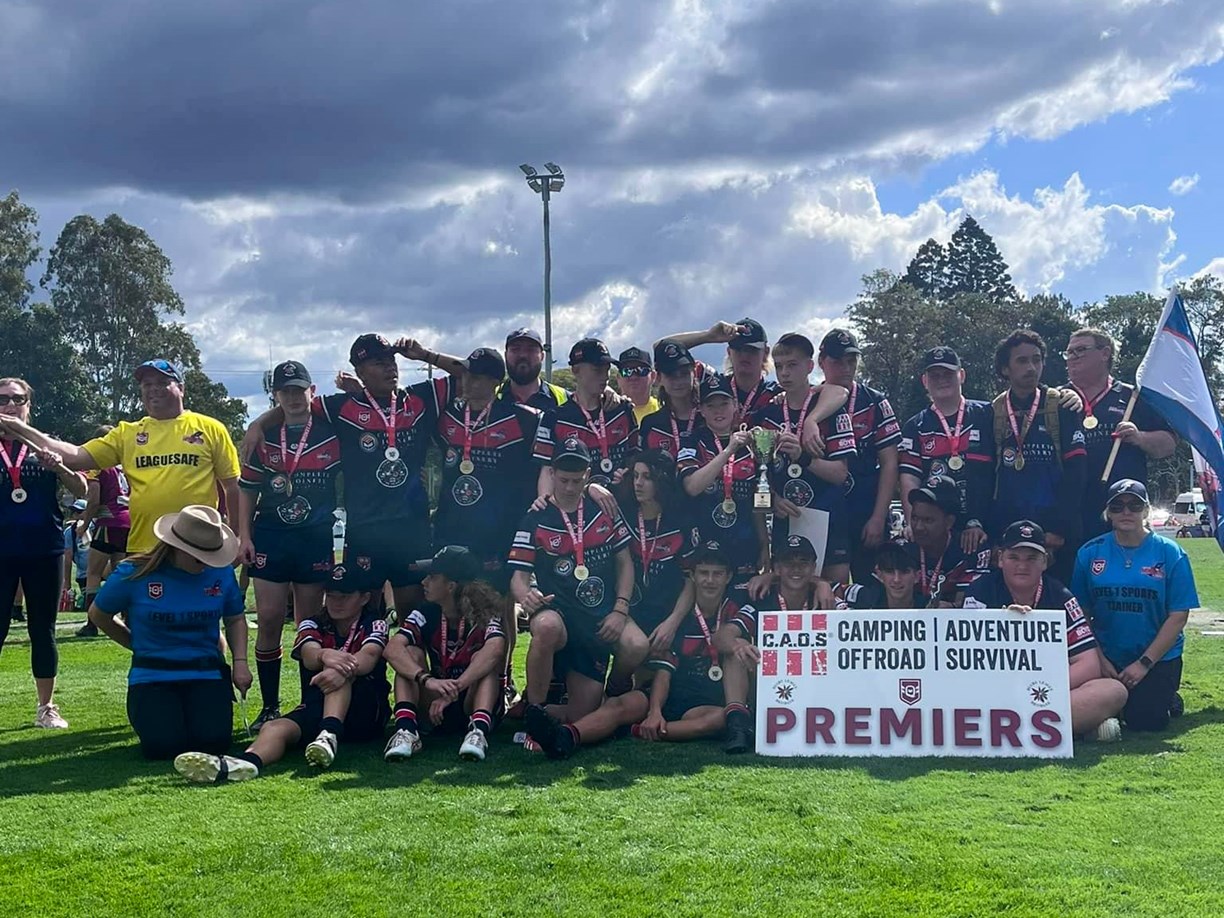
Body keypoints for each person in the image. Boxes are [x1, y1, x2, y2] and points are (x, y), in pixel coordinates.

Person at [243, 334, 448, 617]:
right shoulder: (339, 407)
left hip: (412, 527)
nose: (391, 367)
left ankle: (416, 663)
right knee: (362, 617)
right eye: (379, 362)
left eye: (391, 361)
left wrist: (426, 356)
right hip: (365, 530)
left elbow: (474, 375)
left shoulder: (418, 398)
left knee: (413, 614)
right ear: (361, 372)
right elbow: (295, 404)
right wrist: (257, 423)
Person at [525, 542, 759, 758]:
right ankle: (565, 737)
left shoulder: (735, 607)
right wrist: (655, 710)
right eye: (704, 573)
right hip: (667, 690)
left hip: (703, 700)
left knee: (721, 718)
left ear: (728, 577)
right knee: (618, 705)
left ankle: (636, 730)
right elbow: (664, 671)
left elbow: (724, 637)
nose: (710, 580)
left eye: (717, 574)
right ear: (693, 576)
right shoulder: (677, 613)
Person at [172, 563, 390, 782]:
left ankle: (329, 734)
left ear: (364, 598)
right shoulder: (313, 622)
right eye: (331, 595)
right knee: (273, 727)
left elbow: (369, 658)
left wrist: (338, 665)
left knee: (338, 673)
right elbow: (309, 654)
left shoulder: (375, 623)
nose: (336, 602)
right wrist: (324, 655)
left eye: (345, 596)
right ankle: (243, 763)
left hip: (365, 713)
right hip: (318, 706)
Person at [3, 360, 242, 556]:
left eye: (162, 382)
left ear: (181, 388)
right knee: (120, 612)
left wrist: (236, 536)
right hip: (143, 547)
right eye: (147, 384)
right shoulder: (128, 433)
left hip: (197, 547)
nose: (153, 389)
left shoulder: (210, 428)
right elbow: (75, 456)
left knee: (203, 613)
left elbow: (232, 487)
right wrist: (21, 428)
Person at [87, 505, 251, 759]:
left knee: (214, 742)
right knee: (163, 747)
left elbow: (235, 618)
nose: (206, 564)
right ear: (178, 548)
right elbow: (99, 615)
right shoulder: (134, 574)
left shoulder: (222, 573)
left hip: (206, 671)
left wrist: (240, 662)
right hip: (153, 675)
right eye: (199, 557)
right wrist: (136, 644)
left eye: (211, 556)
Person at [509, 437, 648, 727]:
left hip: (599, 615)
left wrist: (620, 609)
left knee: (636, 645)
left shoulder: (605, 510)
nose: (570, 487)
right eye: (563, 480)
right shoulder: (535, 516)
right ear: (552, 476)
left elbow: (625, 563)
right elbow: (518, 578)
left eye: (576, 480)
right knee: (546, 627)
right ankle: (534, 708)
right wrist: (525, 597)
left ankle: (614, 690)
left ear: (587, 476)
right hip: (558, 612)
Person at [237, 360, 342, 732]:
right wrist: (244, 536)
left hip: (314, 538)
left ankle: (307, 704)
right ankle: (269, 707)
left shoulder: (332, 432)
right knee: (267, 618)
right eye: (286, 392)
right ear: (276, 396)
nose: (294, 398)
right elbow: (246, 491)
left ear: (311, 392)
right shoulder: (263, 438)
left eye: (300, 390)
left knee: (307, 624)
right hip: (271, 536)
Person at [964, 520, 1128, 739]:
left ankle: (1011, 727)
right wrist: (1001, 622)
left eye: (1032, 558)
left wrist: (1041, 689)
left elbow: (1088, 664)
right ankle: (1061, 728)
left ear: (1045, 562)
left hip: (1044, 691)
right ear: (1000, 559)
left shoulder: (1061, 596)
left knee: (1114, 691)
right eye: (1014, 557)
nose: (1022, 566)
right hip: (991, 690)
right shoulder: (980, 591)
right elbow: (967, 657)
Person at [1071, 480, 1199, 732]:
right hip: (1107, 654)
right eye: (1117, 506)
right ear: (1108, 513)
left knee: (1146, 722)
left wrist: (1144, 663)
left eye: (1134, 505)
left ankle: (1167, 695)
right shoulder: (1089, 553)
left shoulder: (1171, 553)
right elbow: (1081, 615)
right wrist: (1098, 657)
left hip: (1156, 657)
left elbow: (1178, 617)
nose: (1126, 512)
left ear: (1146, 511)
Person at [0, 377, 86, 728]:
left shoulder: (44, 444)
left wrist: (59, 467)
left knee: (43, 629)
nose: (9, 405)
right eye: (2, 399)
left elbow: (81, 489)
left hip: (44, 549)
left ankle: (46, 707)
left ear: (28, 405)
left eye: (17, 399)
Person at [383, 546, 509, 762]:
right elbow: (392, 648)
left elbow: (497, 648)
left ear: (451, 586)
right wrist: (428, 681)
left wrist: (457, 686)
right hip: (435, 700)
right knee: (410, 653)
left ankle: (478, 732)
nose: (423, 582)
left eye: (432, 577)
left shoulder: (484, 610)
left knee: (485, 661)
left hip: (472, 698)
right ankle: (406, 731)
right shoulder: (426, 611)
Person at [750, 333, 857, 582]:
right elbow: (756, 482)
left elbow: (840, 474)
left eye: (792, 365)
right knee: (789, 604)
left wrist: (803, 457)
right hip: (786, 524)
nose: (784, 373)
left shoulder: (832, 411)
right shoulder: (765, 417)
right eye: (779, 367)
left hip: (830, 521)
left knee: (833, 597)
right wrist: (772, 501)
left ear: (810, 366)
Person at [990, 330, 1087, 582]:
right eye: (1022, 361)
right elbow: (990, 478)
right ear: (1005, 369)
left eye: (1036, 359)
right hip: (1010, 535)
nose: (1031, 367)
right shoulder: (995, 411)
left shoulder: (1062, 406)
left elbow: (1077, 473)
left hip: (1056, 537)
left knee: (1058, 607)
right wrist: (996, 535)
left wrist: (1058, 529)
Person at [1064, 328, 1176, 542]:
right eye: (1069, 353)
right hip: (1071, 512)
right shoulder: (1057, 399)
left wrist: (1140, 437)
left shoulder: (1132, 396)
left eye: (1080, 350)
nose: (1072, 358)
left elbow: (1168, 445)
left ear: (1105, 353)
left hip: (1122, 510)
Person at [816, 329, 902, 584]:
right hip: (824, 510)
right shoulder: (809, 402)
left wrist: (878, 517)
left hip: (866, 508)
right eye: (837, 361)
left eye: (851, 361)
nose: (845, 368)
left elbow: (890, 463)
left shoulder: (875, 402)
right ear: (822, 362)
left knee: (874, 586)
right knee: (827, 590)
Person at [899, 347, 995, 554]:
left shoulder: (988, 414)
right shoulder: (915, 426)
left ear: (961, 375)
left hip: (985, 528)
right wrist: (912, 524)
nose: (942, 380)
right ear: (925, 381)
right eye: (935, 376)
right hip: (937, 534)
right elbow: (909, 479)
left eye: (948, 374)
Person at [677, 374, 769, 588]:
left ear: (735, 405)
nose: (718, 411)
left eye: (724, 403)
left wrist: (765, 545)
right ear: (701, 409)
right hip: (704, 546)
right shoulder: (692, 441)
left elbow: (759, 501)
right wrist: (728, 451)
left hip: (745, 546)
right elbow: (691, 487)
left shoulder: (752, 443)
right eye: (711, 405)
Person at [615, 449, 696, 655]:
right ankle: (616, 685)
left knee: (654, 681)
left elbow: (690, 580)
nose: (638, 483)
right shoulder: (622, 513)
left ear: (663, 481)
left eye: (647, 477)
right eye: (635, 476)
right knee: (634, 648)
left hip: (665, 614)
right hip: (625, 610)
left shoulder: (680, 523)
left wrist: (673, 622)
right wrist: (593, 489)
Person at [532, 338, 639, 491]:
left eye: (607, 369)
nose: (606, 376)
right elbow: (547, 470)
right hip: (578, 506)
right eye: (597, 370)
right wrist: (545, 501)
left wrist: (628, 473)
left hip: (622, 503)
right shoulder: (555, 417)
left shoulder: (623, 410)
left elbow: (636, 457)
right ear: (575, 370)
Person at [656, 318, 782, 416]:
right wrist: (708, 336)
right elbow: (661, 348)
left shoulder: (776, 393)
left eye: (751, 350)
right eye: (738, 349)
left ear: (765, 352)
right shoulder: (713, 382)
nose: (744, 355)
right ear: (729, 352)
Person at [73, 429, 131, 637]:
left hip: (109, 522)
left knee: (94, 572)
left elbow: (95, 499)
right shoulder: (122, 467)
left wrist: (84, 522)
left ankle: (92, 622)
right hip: (127, 521)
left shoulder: (97, 466)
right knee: (121, 572)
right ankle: (128, 618)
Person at [907, 476, 990, 607]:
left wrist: (952, 608)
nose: (918, 527)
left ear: (949, 522)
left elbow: (971, 603)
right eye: (914, 518)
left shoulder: (970, 549)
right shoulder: (903, 548)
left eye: (928, 520)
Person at [639, 338, 704, 457]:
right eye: (671, 375)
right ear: (658, 378)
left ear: (694, 372)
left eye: (684, 373)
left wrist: (709, 336)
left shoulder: (710, 416)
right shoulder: (651, 423)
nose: (678, 381)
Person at [754, 535, 836, 611]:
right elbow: (743, 622)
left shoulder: (825, 595)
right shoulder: (763, 598)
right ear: (777, 568)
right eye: (788, 563)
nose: (796, 568)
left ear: (813, 568)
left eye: (803, 562)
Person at [497, 327, 569, 412]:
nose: (523, 355)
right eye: (515, 349)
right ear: (505, 355)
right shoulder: (491, 397)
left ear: (542, 356)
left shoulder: (564, 399)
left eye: (531, 350)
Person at [838, 541, 926, 609]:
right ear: (879, 574)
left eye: (904, 572)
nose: (897, 579)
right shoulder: (865, 597)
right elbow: (831, 590)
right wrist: (824, 585)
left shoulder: (930, 606)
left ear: (917, 576)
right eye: (889, 571)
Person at [62, 498, 92, 610]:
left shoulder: (96, 527)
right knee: (87, 604)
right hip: (83, 574)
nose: (76, 515)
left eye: (80, 512)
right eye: (74, 512)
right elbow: (68, 559)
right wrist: (67, 584)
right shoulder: (70, 532)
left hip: (101, 570)